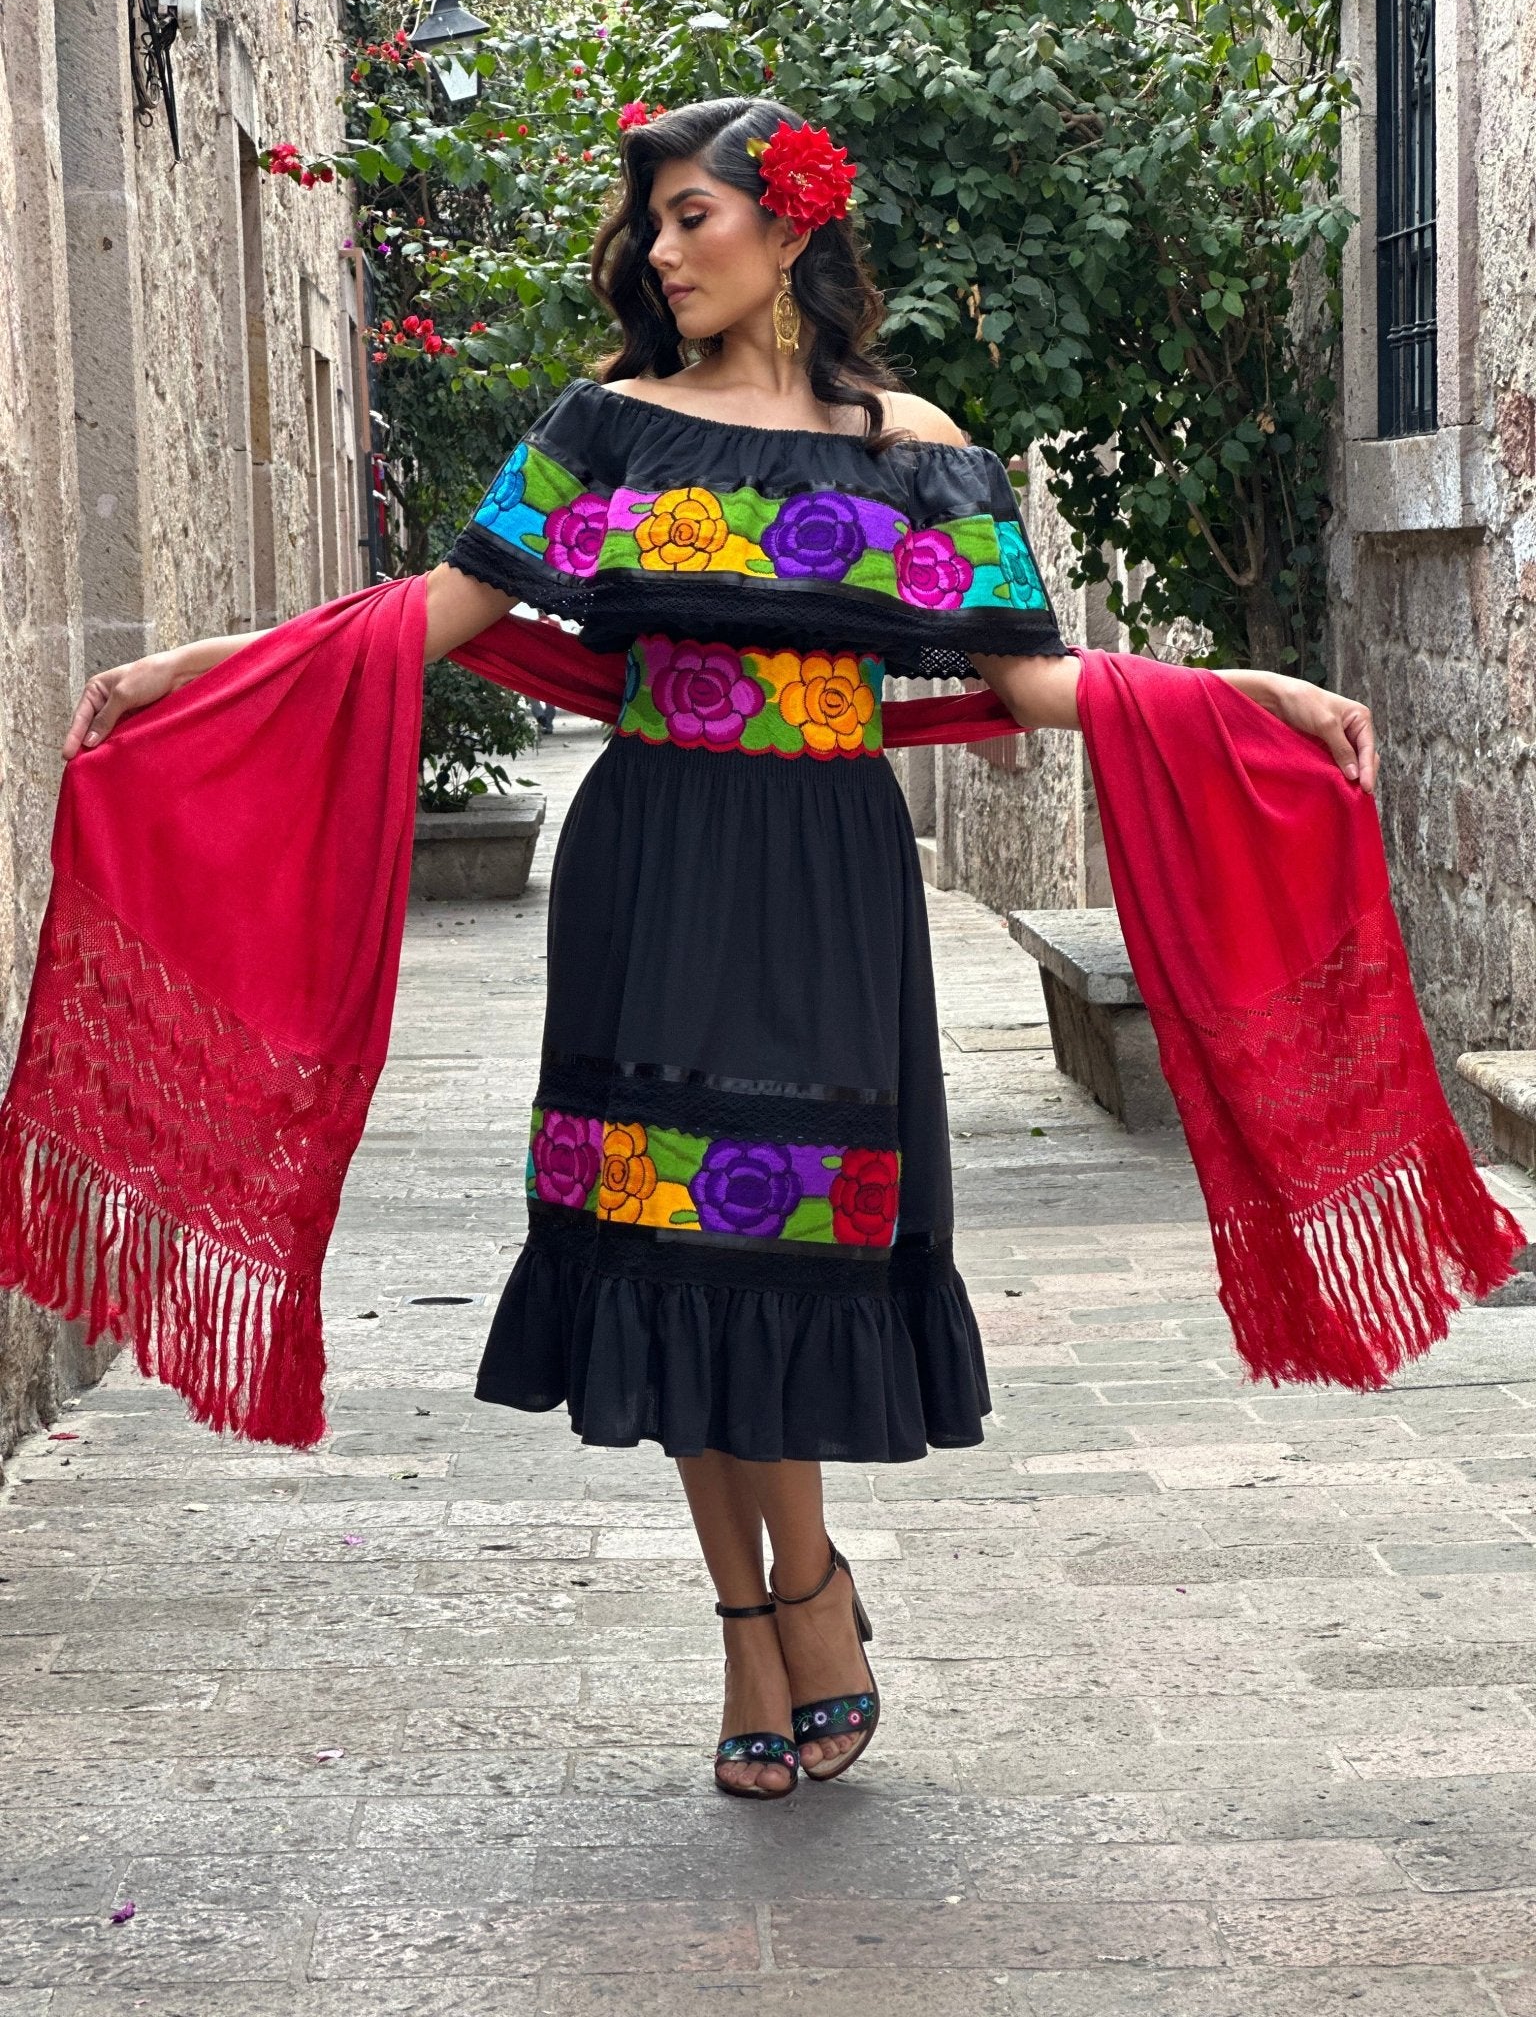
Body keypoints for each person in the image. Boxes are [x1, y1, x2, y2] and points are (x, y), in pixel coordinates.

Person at [62, 97, 1377, 1801]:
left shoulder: (913, 447)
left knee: (799, 1229)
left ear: (791, 230)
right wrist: (204, 665)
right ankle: (750, 1618)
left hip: (824, 869)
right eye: (657, 228)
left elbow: (1031, 674)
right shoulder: (606, 430)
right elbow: (432, 609)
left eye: (694, 219)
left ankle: (805, 1586)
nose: (663, 254)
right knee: (654, 1222)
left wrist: (1246, 695)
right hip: (652, 857)